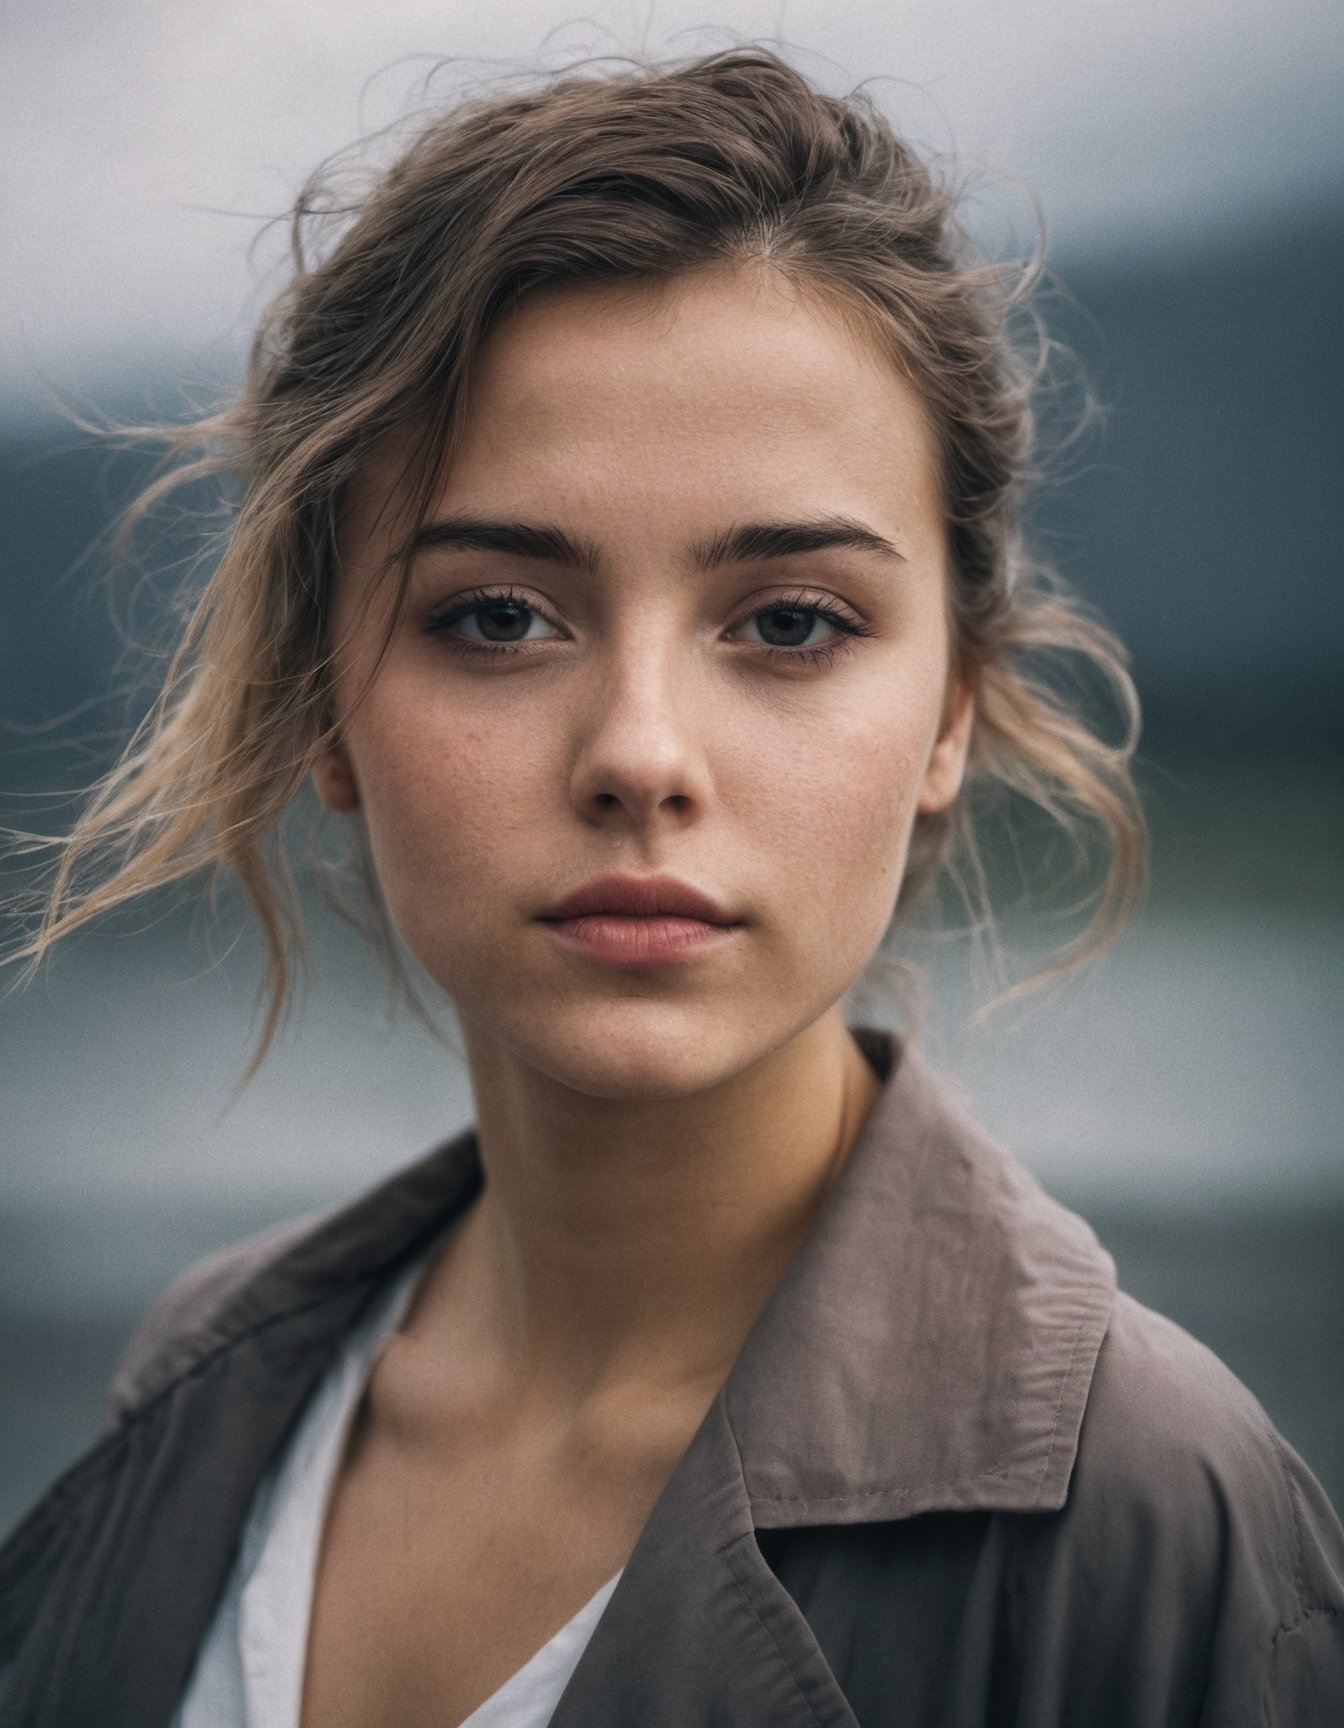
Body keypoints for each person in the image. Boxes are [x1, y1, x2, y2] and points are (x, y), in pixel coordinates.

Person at [0, 47, 1340, 1728]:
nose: (640, 753)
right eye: (498, 615)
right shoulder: (204, 1396)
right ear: (319, 705)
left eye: (789, 622)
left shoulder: (1149, 1518)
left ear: (952, 712)